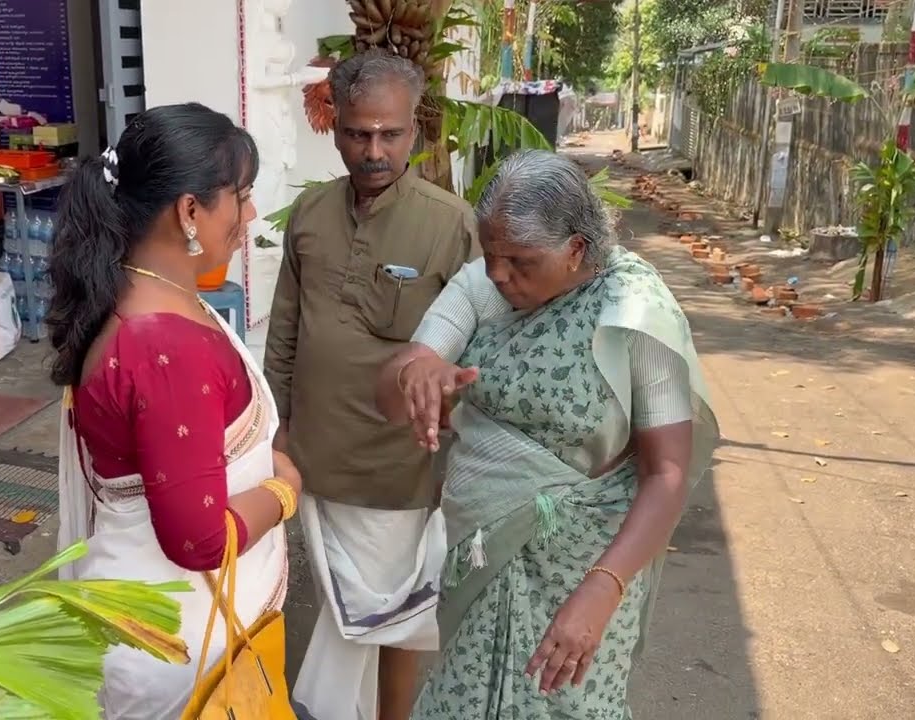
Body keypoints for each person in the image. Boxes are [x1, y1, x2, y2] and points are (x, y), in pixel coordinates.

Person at [375, 150, 721, 719]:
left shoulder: (633, 308)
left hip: (590, 566)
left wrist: (602, 588)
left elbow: (667, 472)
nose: (499, 274)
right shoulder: (480, 289)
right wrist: (417, 372)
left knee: (567, 704)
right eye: (491, 255)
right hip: (484, 553)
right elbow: (393, 390)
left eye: (521, 261)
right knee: (466, 699)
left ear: (577, 250)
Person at [48, 102, 299, 719]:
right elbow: (198, 539)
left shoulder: (145, 297)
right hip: (182, 655)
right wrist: (286, 489)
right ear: (190, 211)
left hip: (160, 630)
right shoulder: (163, 345)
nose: (250, 214)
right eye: (239, 196)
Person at [264, 49, 478, 720]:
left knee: (397, 618)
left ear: (414, 130)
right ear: (336, 127)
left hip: (399, 464)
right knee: (340, 605)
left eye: (390, 133)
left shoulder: (450, 225)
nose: (374, 150)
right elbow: (285, 333)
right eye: (358, 132)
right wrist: (275, 427)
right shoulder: (310, 216)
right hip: (314, 459)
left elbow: (479, 349)